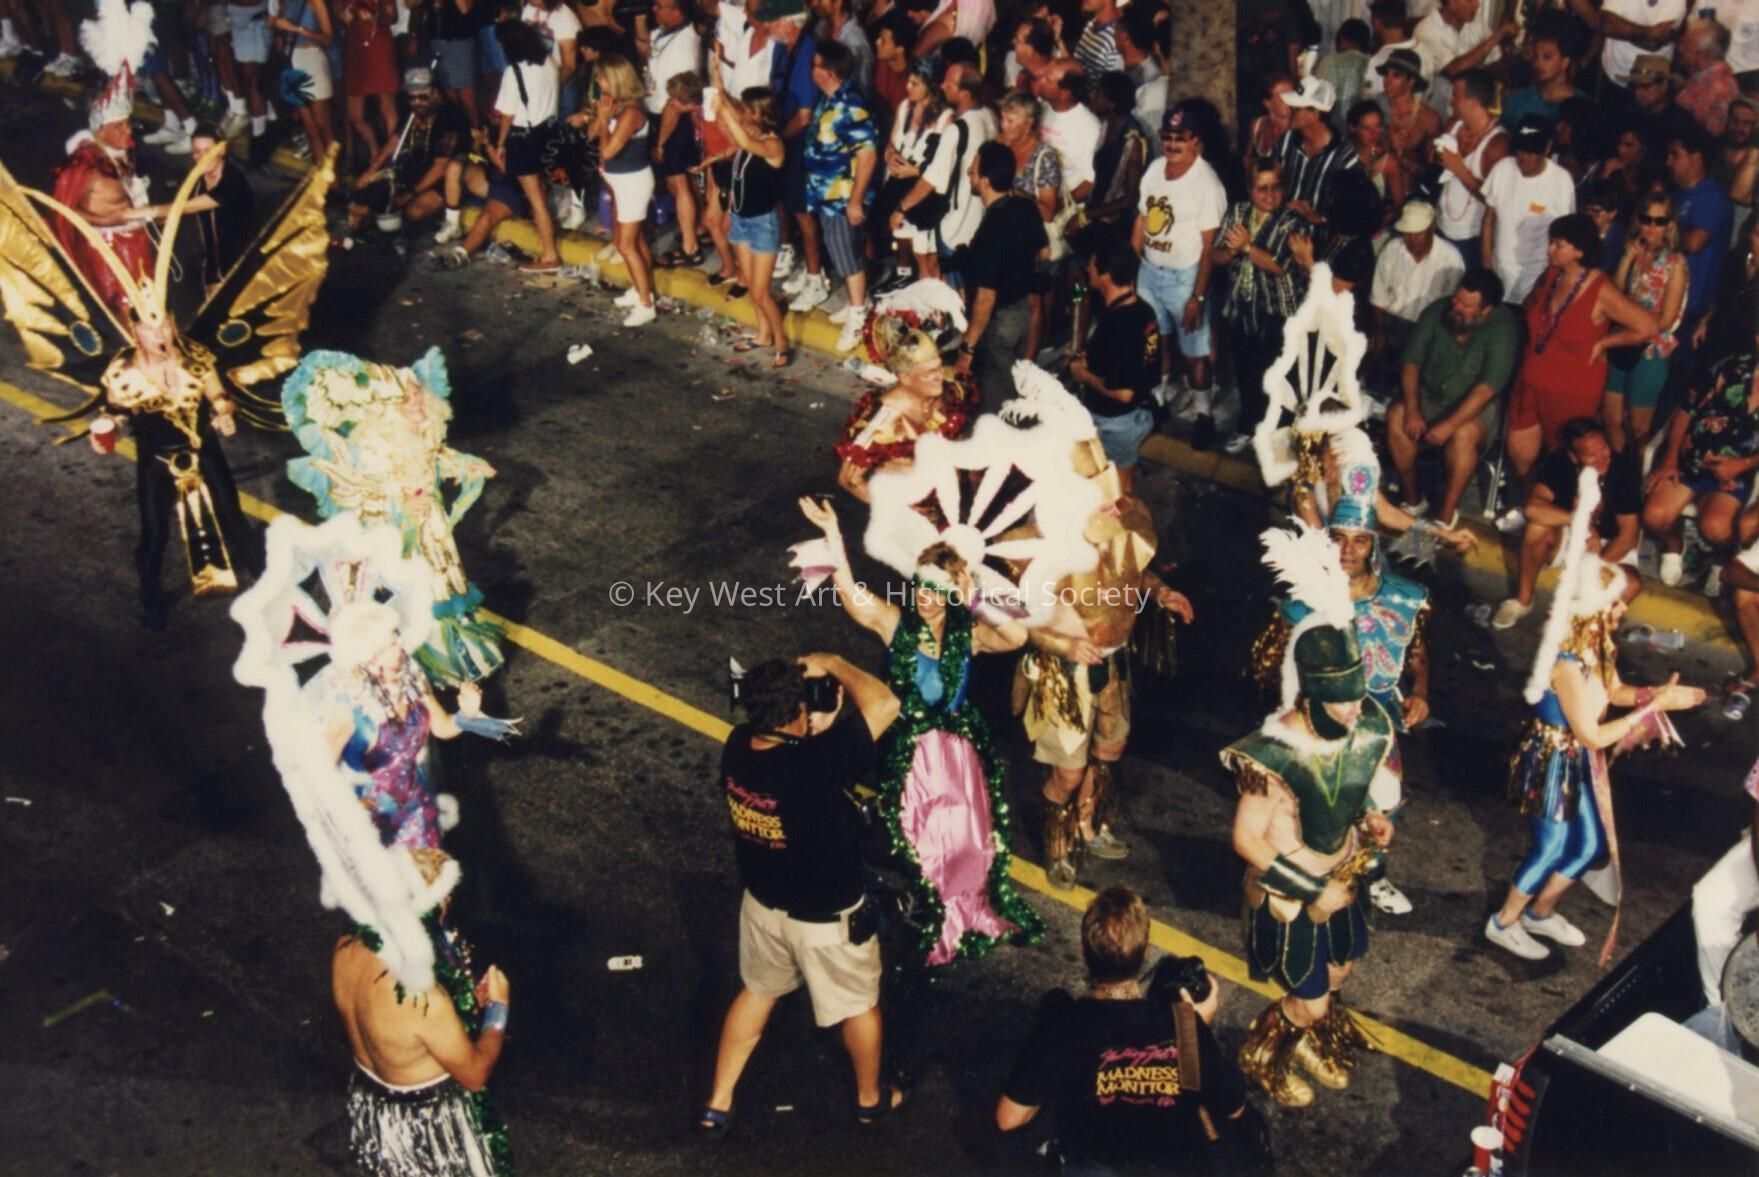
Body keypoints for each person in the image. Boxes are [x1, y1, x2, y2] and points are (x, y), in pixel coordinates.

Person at [797, 495, 1045, 967]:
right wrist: (832, 534)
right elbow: (851, 594)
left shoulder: (967, 635)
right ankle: (922, 902)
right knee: (917, 839)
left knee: (968, 841)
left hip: (955, 754)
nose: (925, 598)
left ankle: (959, 907)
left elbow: (1016, 637)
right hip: (907, 749)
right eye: (920, 587)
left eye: (935, 590)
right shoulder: (897, 624)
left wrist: (975, 600)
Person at [1488, 469, 1705, 963]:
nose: (1622, 614)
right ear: (1593, 612)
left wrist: (1655, 694)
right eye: (1616, 608)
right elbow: (1591, 733)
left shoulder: (1599, 648)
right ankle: (1503, 922)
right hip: (1552, 758)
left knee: (1587, 845)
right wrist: (1654, 709)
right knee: (1550, 848)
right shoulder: (1565, 663)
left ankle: (1540, 913)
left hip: (1576, 758)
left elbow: (1616, 692)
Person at [1225, 521, 1397, 1108]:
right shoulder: (1272, 755)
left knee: (1341, 973)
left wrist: (1370, 816)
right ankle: (1264, 1055)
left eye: (1356, 697)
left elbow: (1348, 781)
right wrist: (1313, 889)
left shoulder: (1358, 722)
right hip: (1290, 893)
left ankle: (1304, 1035)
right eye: (1341, 701)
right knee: (1313, 999)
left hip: (1341, 877)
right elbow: (1247, 838)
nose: (1354, 710)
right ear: (1310, 694)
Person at [698, 652, 905, 1134]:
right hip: (826, 922)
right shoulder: (818, 763)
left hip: (764, 907)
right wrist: (833, 662)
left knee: (757, 992)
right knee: (860, 1006)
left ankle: (718, 1102)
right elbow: (885, 703)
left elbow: (793, 753)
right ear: (797, 712)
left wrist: (815, 725)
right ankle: (870, 1100)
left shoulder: (738, 746)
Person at [1009, 370, 1194, 887]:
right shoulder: (1038, 546)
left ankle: (1088, 825)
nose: (1116, 502)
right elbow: (1020, 621)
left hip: (1114, 665)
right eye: (1100, 497)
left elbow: (1130, 568)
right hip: (1064, 676)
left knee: (1108, 754)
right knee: (1067, 772)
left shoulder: (1121, 519)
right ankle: (1058, 842)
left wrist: (1161, 592)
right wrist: (1065, 644)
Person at [1250, 431, 1431, 916]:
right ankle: (1315, 876)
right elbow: (1275, 673)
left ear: (1373, 545)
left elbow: (1415, 652)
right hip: (1318, 725)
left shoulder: (1403, 598)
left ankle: (1373, 875)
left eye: (1360, 540)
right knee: (1318, 809)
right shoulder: (1302, 604)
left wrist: (1420, 692)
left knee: (1386, 799)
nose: (1348, 550)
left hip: (1378, 722)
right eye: (1339, 539)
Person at [282, 349, 507, 687]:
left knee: (444, 584)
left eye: (419, 395)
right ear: (387, 409)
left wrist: (467, 465)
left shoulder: (423, 431)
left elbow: (437, 459)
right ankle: (418, 664)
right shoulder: (372, 448)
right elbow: (363, 496)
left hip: (432, 529)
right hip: (399, 534)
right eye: (407, 400)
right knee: (414, 594)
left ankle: (459, 657)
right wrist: (401, 505)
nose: (417, 403)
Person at [996, 887, 1247, 1176]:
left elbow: (1008, 1119)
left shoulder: (1065, 1022)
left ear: (1083, 950)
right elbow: (1234, 1108)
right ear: (1145, 952)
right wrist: (1193, 1027)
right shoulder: (1183, 1026)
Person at [333, 853, 514, 1177]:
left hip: (375, 1103)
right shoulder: (425, 998)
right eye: (444, 898)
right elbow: (475, 1076)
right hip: (427, 1122)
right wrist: (497, 1010)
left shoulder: (346, 947)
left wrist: (466, 1002)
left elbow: (402, 1029)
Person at [1505, 214, 1662, 492]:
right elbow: (1532, 309)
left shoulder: (1601, 288)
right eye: (1551, 242)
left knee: (1566, 462)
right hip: (1530, 381)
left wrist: (1604, 343)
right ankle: (1533, 504)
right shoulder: (1552, 275)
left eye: (1558, 244)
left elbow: (1647, 327)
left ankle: (1565, 510)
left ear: (1579, 250)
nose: (1549, 250)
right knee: (1519, 453)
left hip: (1571, 388)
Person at [1384, 268, 1517, 527]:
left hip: (1476, 405)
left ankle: (1445, 514)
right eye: (1457, 299)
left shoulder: (1503, 329)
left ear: (1485, 310)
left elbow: (1486, 389)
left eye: (1466, 306)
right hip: (1430, 394)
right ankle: (1413, 500)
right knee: (1397, 415)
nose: (1456, 307)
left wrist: (1448, 425)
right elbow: (1411, 363)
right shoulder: (1437, 311)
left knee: (1464, 435)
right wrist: (1412, 409)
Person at [1493, 417, 1643, 629]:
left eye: (1604, 449)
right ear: (1574, 456)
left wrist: (1590, 570)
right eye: (1591, 455)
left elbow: (1628, 537)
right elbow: (1532, 508)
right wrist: (1582, 523)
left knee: (1631, 585)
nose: (1602, 459)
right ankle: (1522, 601)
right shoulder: (1560, 462)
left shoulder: (1623, 469)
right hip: (1571, 533)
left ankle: (1582, 625)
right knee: (1537, 527)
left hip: (1611, 543)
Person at [1135, 104, 1226, 423]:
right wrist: (1133, 265)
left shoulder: (1207, 183)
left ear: (1195, 140)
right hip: (1149, 271)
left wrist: (1197, 297)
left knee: (1194, 352)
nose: (1172, 145)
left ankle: (1203, 414)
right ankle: (1159, 396)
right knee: (1155, 339)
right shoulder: (1154, 169)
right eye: (1167, 137)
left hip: (1185, 278)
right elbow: (1142, 218)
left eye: (1180, 138)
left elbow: (1209, 248)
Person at [1643, 349, 1759, 585]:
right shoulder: (1728, 366)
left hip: (1736, 472)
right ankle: (1674, 546)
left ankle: (1722, 560)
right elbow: (1686, 410)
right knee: (1653, 516)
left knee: (1716, 528)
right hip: (1690, 462)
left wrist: (1743, 464)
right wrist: (1670, 458)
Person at [1213, 157, 1303, 447]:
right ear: (1250, 189)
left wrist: (1247, 246)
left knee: (1276, 377)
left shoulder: (1292, 220)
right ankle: (1248, 425)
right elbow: (1215, 255)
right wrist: (1231, 251)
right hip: (1241, 308)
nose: (1269, 194)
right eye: (1262, 188)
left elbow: (1280, 266)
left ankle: (1277, 435)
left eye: (1275, 187)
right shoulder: (1238, 212)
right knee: (1245, 372)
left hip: (1278, 313)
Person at [956, 141, 1047, 404]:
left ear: (985, 182)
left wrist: (967, 350)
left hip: (999, 325)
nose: (969, 175)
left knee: (998, 398)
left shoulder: (992, 229)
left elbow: (986, 298)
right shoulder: (1026, 208)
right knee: (1017, 384)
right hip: (1024, 315)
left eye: (973, 172)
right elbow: (1043, 255)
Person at [1067, 239, 1162, 488]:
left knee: (1099, 490)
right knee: (1122, 485)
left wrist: (1083, 375)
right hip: (1137, 416)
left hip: (1113, 423)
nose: (1088, 269)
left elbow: (1123, 393)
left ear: (1105, 275)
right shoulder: (1145, 311)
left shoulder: (1118, 324)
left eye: (1092, 265)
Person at [714, 84, 792, 367]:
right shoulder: (751, 135)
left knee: (761, 291)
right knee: (751, 288)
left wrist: (725, 111)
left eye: (746, 110)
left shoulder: (773, 145)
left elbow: (744, 143)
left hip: (762, 224)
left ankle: (781, 343)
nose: (741, 114)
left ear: (759, 113)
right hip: (741, 219)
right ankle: (763, 336)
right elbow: (738, 176)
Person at [1603, 193, 1689, 451]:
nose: (1652, 227)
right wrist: (1626, 259)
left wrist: (1631, 322)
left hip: (1650, 349)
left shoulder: (1675, 264)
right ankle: (1618, 470)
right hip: (1622, 340)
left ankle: (1637, 473)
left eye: (1659, 221)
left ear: (1670, 225)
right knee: (1611, 418)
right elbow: (1614, 296)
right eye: (1646, 219)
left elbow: (1666, 320)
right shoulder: (1634, 252)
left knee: (1639, 428)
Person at [803, 40, 881, 325]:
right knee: (842, 251)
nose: (811, 70)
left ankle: (858, 316)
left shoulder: (850, 105)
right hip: (827, 194)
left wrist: (856, 201)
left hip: (843, 197)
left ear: (830, 72)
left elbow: (867, 155)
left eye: (815, 66)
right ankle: (854, 303)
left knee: (846, 254)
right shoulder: (830, 100)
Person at [344, 68, 468, 244]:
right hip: (413, 172)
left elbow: (440, 168)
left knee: (410, 213)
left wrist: (410, 194)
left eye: (423, 97)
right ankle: (363, 234)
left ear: (436, 92)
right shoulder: (413, 111)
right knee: (358, 201)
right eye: (412, 97)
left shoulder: (450, 116)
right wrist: (373, 168)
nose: (417, 102)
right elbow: (396, 139)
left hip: (440, 180)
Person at [490, 19, 564, 276]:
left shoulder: (514, 72)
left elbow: (507, 115)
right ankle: (548, 244)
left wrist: (500, 144)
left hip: (523, 139)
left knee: (537, 200)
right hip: (546, 133)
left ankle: (550, 255)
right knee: (541, 192)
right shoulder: (549, 62)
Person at [1480, 115, 1577, 304]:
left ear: (1547, 148)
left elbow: (1565, 238)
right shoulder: (1502, 169)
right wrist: (1487, 267)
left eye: (1531, 152)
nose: (1523, 158)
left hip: (1535, 278)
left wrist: (1545, 283)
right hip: (1498, 272)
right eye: (1520, 150)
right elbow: (1488, 219)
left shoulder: (1561, 181)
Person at [593, 52, 659, 322]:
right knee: (635, 240)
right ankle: (640, 289)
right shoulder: (617, 105)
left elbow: (608, 150)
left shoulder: (631, 112)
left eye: (602, 77)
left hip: (632, 182)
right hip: (620, 181)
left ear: (615, 79)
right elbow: (593, 136)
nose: (598, 81)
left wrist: (602, 121)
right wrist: (600, 117)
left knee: (625, 245)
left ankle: (646, 305)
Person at [1671, 125, 1736, 365]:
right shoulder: (1679, 195)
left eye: (1675, 155)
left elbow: (1695, 243)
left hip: (1692, 307)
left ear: (1696, 157)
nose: (1669, 161)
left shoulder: (1711, 196)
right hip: (1670, 299)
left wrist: (1664, 223)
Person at [1371, 201, 1465, 363]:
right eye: (1407, 234)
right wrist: (1380, 331)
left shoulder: (1451, 258)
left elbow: (1453, 307)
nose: (1412, 240)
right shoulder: (1392, 249)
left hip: (1429, 329)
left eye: (1418, 234)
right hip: (1393, 324)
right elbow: (1378, 297)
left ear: (1432, 228)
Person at [1433, 69, 1510, 256]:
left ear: (1474, 101)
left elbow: (1496, 200)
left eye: (1456, 96)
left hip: (1471, 238)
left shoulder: (1498, 144)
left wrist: (1459, 169)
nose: (1450, 101)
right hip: (1441, 226)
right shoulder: (1453, 124)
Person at [1274, 76, 1358, 227]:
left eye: (1295, 109)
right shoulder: (1286, 141)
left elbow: (1353, 211)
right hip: (1282, 229)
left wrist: (1317, 218)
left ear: (1315, 113)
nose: (1288, 111)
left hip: (1320, 236)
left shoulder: (1345, 157)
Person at [188, 123, 256, 297]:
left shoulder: (233, 181)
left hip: (237, 267)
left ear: (222, 150)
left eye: (208, 151)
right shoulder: (198, 179)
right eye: (197, 151)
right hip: (212, 265)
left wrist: (146, 212)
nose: (202, 157)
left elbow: (184, 207)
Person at [653, 70, 709, 270]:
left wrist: (660, 145)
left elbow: (669, 117)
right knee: (687, 186)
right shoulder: (698, 109)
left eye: (676, 100)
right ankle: (698, 230)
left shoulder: (674, 110)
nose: (671, 102)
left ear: (691, 102)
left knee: (680, 186)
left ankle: (690, 247)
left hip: (677, 142)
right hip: (688, 141)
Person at [270, 0, 336, 161]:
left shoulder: (316, 2)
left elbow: (328, 39)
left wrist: (297, 29)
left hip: (313, 58)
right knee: (310, 127)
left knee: (322, 125)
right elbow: (280, 32)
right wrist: (276, 25)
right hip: (293, 61)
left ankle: (331, 171)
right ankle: (320, 169)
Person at [342, 0, 401, 170]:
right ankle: (375, 154)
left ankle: (393, 158)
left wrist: (374, 18)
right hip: (356, 51)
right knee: (355, 116)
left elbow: (392, 17)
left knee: (387, 108)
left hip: (379, 47)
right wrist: (345, 17)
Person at [1600, 0, 1689, 101]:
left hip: (1656, 81)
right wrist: (1648, 32)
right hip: (1618, 74)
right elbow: (1607, 25)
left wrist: (1627, 33)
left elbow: (1656, 41)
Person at [1500, 25, 1584, 130]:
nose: (1538, 63)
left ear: (1565, 63)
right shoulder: (1517, 100)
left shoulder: (1582, 107)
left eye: (1547, 57)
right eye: (1535, 56)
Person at [1676, 19, 1740, 136]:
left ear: (1704, 56)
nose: (1680, 50)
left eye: (1685, 47)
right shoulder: (1698, 78)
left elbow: (1710, 138)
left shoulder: (1720, 91)